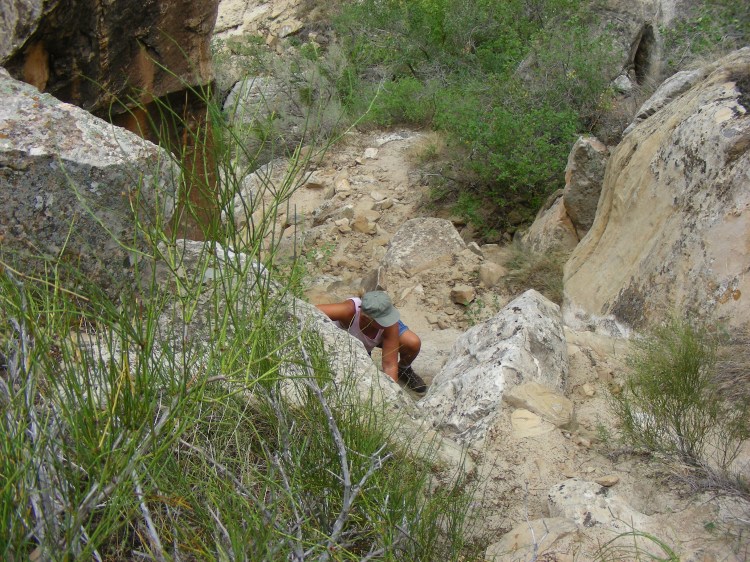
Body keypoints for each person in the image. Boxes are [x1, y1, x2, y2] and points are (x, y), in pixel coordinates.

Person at [316, 291, 427, 394]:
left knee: (412, 343)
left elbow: (389, 365)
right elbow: (307, 311)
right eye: (384, 320)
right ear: (366, 318)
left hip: (366, 342)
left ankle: (403, 370)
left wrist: (393, 393)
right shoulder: (348, 311)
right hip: (350, 345)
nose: (390, 322)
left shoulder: (389, 323)